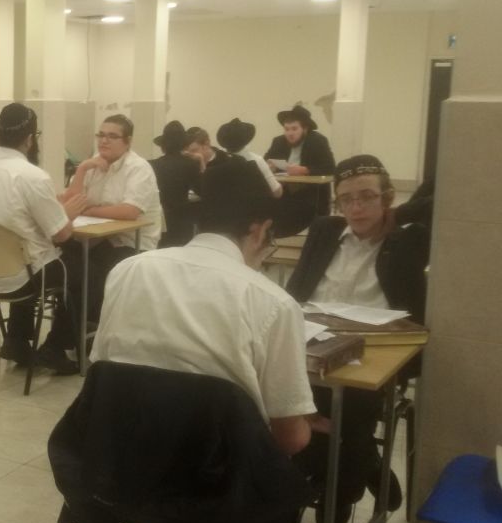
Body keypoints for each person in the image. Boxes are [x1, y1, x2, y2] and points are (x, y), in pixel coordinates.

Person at [90, 159, 319, 458]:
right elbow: (290, 440)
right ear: (260, 230)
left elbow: (101, 368)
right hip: (219, 476)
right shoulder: (274, 303)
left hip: (118, 459)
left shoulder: (128, 270)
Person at [287, 155, 429, 523]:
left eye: (367, 196)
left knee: (347, 411)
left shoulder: (409, 239)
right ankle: (365, 463)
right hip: (313, 343)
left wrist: (397, 215)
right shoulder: (325, 230)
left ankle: (336, 499)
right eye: (346, 199)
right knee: (276, 397)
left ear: (387, 198)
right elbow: (295, 291)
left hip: (374, 353)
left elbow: (444, 202)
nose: (356, 208)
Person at [0, 103, 85, 364]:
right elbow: (61, 235)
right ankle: (57, 347)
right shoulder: (33, 176)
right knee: (79, 267)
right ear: (29, 139)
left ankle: (15, 341)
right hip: (20, 277)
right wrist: (67, 214)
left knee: (29, 252)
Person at [41, 114, 163, 374]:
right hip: (97, 238)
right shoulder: (95, 164)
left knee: (90, 275)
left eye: (112, 136)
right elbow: (72, 200)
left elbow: (130, 211)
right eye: (101, 135)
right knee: (65, 266)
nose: (104, 141)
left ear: (127, 141)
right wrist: (82, 169)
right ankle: (69, 339)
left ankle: (64, 342)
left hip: (131, 241)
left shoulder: (138, 168)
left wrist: (89, 210)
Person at [265, 105, 336, 235]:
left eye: (294, 129)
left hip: (310, 196)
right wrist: (270, 167)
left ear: (305, 129)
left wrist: (305, 170)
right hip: (284, 193)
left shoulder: (318, 141)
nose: (290, 133)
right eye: (287, 129)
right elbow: (266, 162)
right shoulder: (278, 141)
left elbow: (330, 168)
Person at [149, 120, 199, 247]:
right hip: (182, 219)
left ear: (163, 146)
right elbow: (200, 189)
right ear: (184, 144)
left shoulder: (152, 165)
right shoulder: (191, 164)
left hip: (159, 218)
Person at [217, 117, 283, 198]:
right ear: (246, 140)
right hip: (255, 204)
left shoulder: (217, 162)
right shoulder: (257, 161)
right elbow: (277, 193)